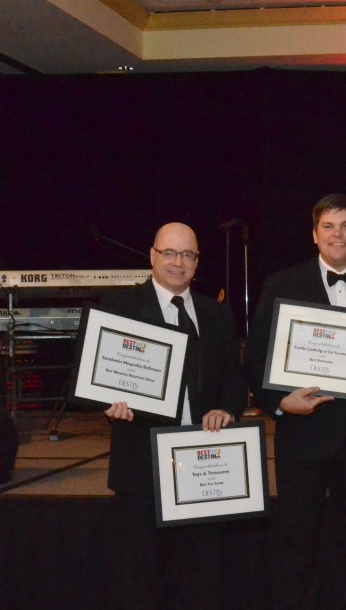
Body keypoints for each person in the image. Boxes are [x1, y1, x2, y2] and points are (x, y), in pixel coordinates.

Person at [245, 194, 346, 610]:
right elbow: (257, 357)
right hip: (303, 433)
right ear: (314, 235)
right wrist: (281, 404)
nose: (338, 235)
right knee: (295, 540)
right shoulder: (282, 283)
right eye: (328, 227)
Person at [102, 222, 246, 610]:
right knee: (141, 578)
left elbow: (234, 381)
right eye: (170, 253)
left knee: (200, 577)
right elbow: (92, 380)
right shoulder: (120, 309)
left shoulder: (218, 315)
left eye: (188, 254)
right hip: (140, 466)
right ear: (152, 256)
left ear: (198, 262)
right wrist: (107, 402)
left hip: (201, 467)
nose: (178, 263)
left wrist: (227, 409)